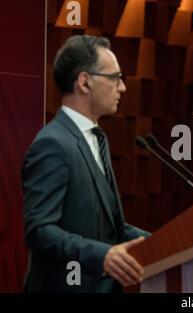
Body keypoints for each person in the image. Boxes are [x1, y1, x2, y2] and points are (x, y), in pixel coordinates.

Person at [21, 35, 151, 293]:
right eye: (115, 77)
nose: (123, 87)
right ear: (85, 81)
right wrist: (102, 256)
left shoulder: (96, 139)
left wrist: (166, 242)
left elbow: (110, 227)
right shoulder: (53, 144)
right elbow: (39, 231)